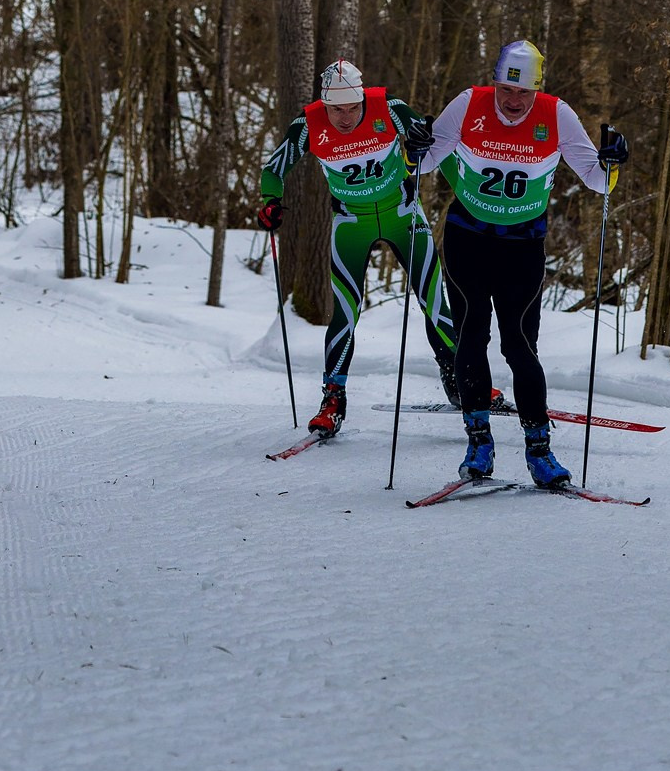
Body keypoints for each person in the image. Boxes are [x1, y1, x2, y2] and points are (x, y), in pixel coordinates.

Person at [409, 39, 629, 489]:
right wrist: (412, 147)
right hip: (467, 238)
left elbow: (597, 180)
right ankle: (479, 441)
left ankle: (539, 449)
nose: (512, 102)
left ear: (536, 91)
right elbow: (426, 161)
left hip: (523, 245)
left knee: (520, 346)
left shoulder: (556, 114)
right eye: (505, 91)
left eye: (522, 94)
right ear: (494, 83)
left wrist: (612, 163)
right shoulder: (469, 104)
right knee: (471, 336)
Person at [257, 59, 456, 437]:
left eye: (353, 108)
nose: (345, 118)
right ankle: (333, 399)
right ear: (324, 104)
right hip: (351, 223)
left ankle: (459, 381)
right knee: (345, 312)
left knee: (434, 301)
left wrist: (419, 142)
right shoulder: (308, 125)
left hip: (403, 215)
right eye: (336, 110)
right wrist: (270, 200)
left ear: (363, 99)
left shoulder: (388, 108)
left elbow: (431, 142)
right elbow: (273, 168)